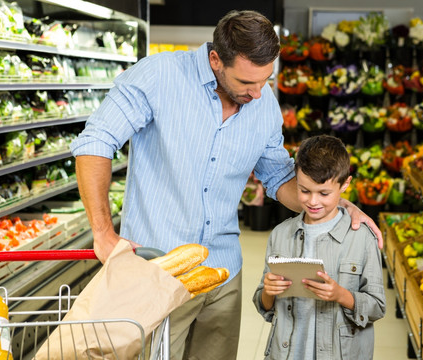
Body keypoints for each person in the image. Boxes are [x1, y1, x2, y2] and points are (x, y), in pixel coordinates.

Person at [70, 9, 383, 360]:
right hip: (157, 270)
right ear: (216, 60)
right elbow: (95, 142)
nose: (258, 93)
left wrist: (336, 202)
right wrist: (102, 231)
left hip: (223, 274)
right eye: (247, 83)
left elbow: (280, 179)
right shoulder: (159, 76)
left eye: (265, 80)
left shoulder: (264, 108)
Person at [253, 135, 386, 360]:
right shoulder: (281, 235)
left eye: (324, 193)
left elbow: (377, 306)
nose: (313, 202)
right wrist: (268, 292)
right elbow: (264, 305)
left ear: (345, 184)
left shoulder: (362, 238)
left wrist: (342, 295)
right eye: (304, 190)